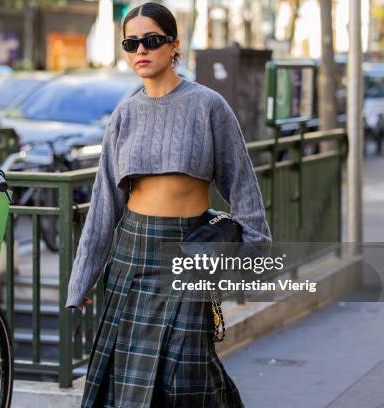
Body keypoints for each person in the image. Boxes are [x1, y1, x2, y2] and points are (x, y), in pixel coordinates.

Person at [66, 2, 272, 407]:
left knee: (186, 377)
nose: (141, 50)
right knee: (126, 385)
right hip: (131, 258)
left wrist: (251, 253)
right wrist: (81, 281)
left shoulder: (209, 106)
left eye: (152, 40)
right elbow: (105, 203)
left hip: (188, 252)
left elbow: (243, 187)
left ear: (174, 45)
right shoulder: (124, 113)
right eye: (131, 43)